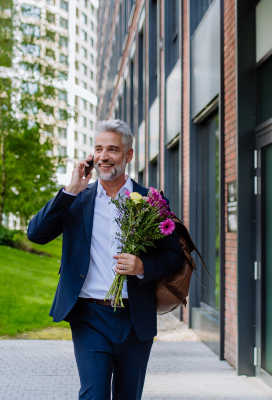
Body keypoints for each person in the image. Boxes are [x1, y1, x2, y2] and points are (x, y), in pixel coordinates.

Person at [27, 119, 184, 400]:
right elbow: (36, 234)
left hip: (135, 317)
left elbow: (174, 256)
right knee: (94, 395)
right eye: (98, 149)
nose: (103, 156)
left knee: (128, 396)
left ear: (128, 155)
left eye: (112, 149)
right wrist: (70, 189)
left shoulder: (152, 200)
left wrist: (142, 267)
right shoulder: (77, 199)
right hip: (89, 316)